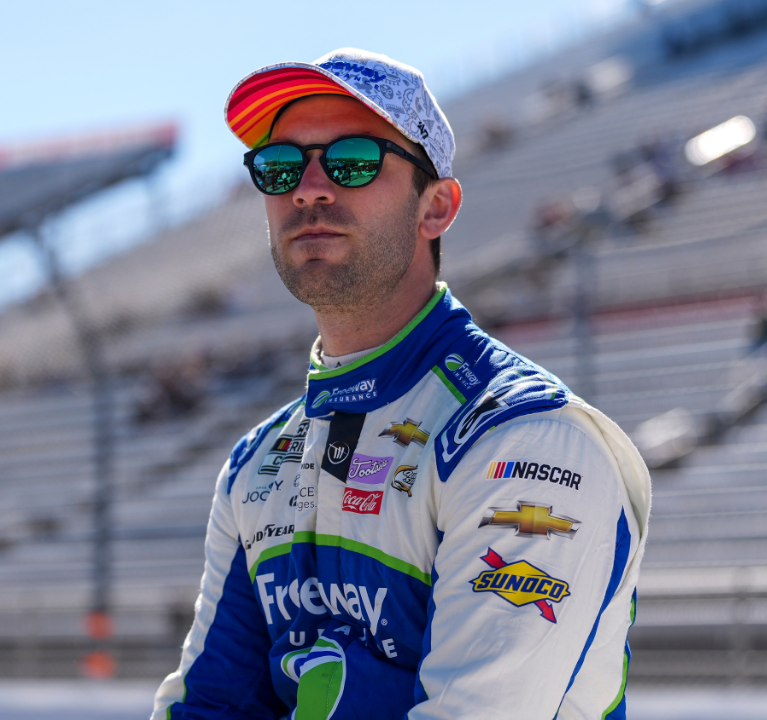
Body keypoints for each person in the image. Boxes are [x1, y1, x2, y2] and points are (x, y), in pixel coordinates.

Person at [152, 48, 651, 720]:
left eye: (353, 160)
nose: (308, 188)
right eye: (280, 168)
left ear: (436, 208)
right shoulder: (256, 463)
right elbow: (207, 707)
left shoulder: (527, 440)